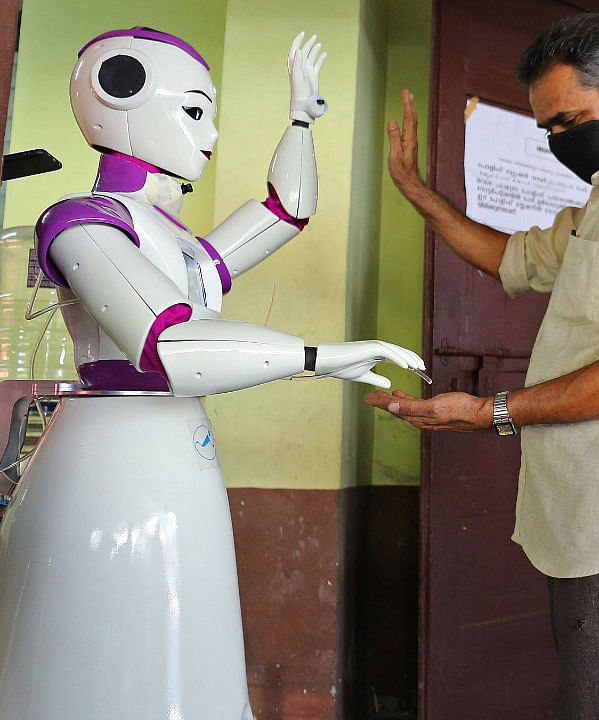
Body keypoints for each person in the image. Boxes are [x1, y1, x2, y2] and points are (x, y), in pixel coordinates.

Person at [0, 28, 424, 720]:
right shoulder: (82, 222)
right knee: (92, 666)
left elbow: (286, 211)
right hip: (110, 466)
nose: (214, 132)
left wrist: (300, 119)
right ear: (118, 95)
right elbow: (166, 343)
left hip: (176, 457)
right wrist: (316, 357)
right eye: (196, 111)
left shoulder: (178, 243)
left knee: (188, 657)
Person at [366, 13, 599, 719]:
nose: (560, 142)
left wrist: (491, 411)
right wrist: (415, 189)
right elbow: (511, 257)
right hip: (589, 522)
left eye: (566, 121)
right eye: (548, 131)